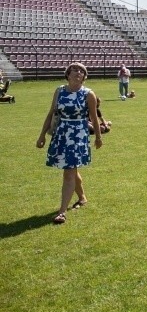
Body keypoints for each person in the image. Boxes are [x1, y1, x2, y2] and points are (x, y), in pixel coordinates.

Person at [36, 62, 103, 224]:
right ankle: (82, 197)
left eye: (82, 71)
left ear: (84, 77)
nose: (78, 72)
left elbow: (94, 118)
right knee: (71, 170)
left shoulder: (88, 94)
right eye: (74, 70)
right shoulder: (59, 91)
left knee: (68, 172)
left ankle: (62, 212)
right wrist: (42, 135)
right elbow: (52, 113)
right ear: (68, 74)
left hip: (78, 136)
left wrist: (99, 137)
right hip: (61, 134)